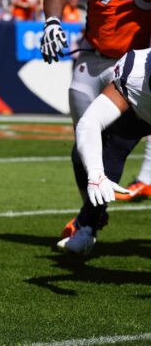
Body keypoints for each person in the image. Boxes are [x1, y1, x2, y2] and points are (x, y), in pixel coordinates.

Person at [40, 0, 151, 239]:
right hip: (97, 56)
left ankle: (88, 221)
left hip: (145, 68)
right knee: (83, 149)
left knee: (114, 143)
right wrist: (52, 21)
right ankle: (93, 215)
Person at [58, 48, 151, 254]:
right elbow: (89, 123)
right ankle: (88, 226)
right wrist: (96, 173)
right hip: (141, 111)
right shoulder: (134, 71)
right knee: (105, 155)